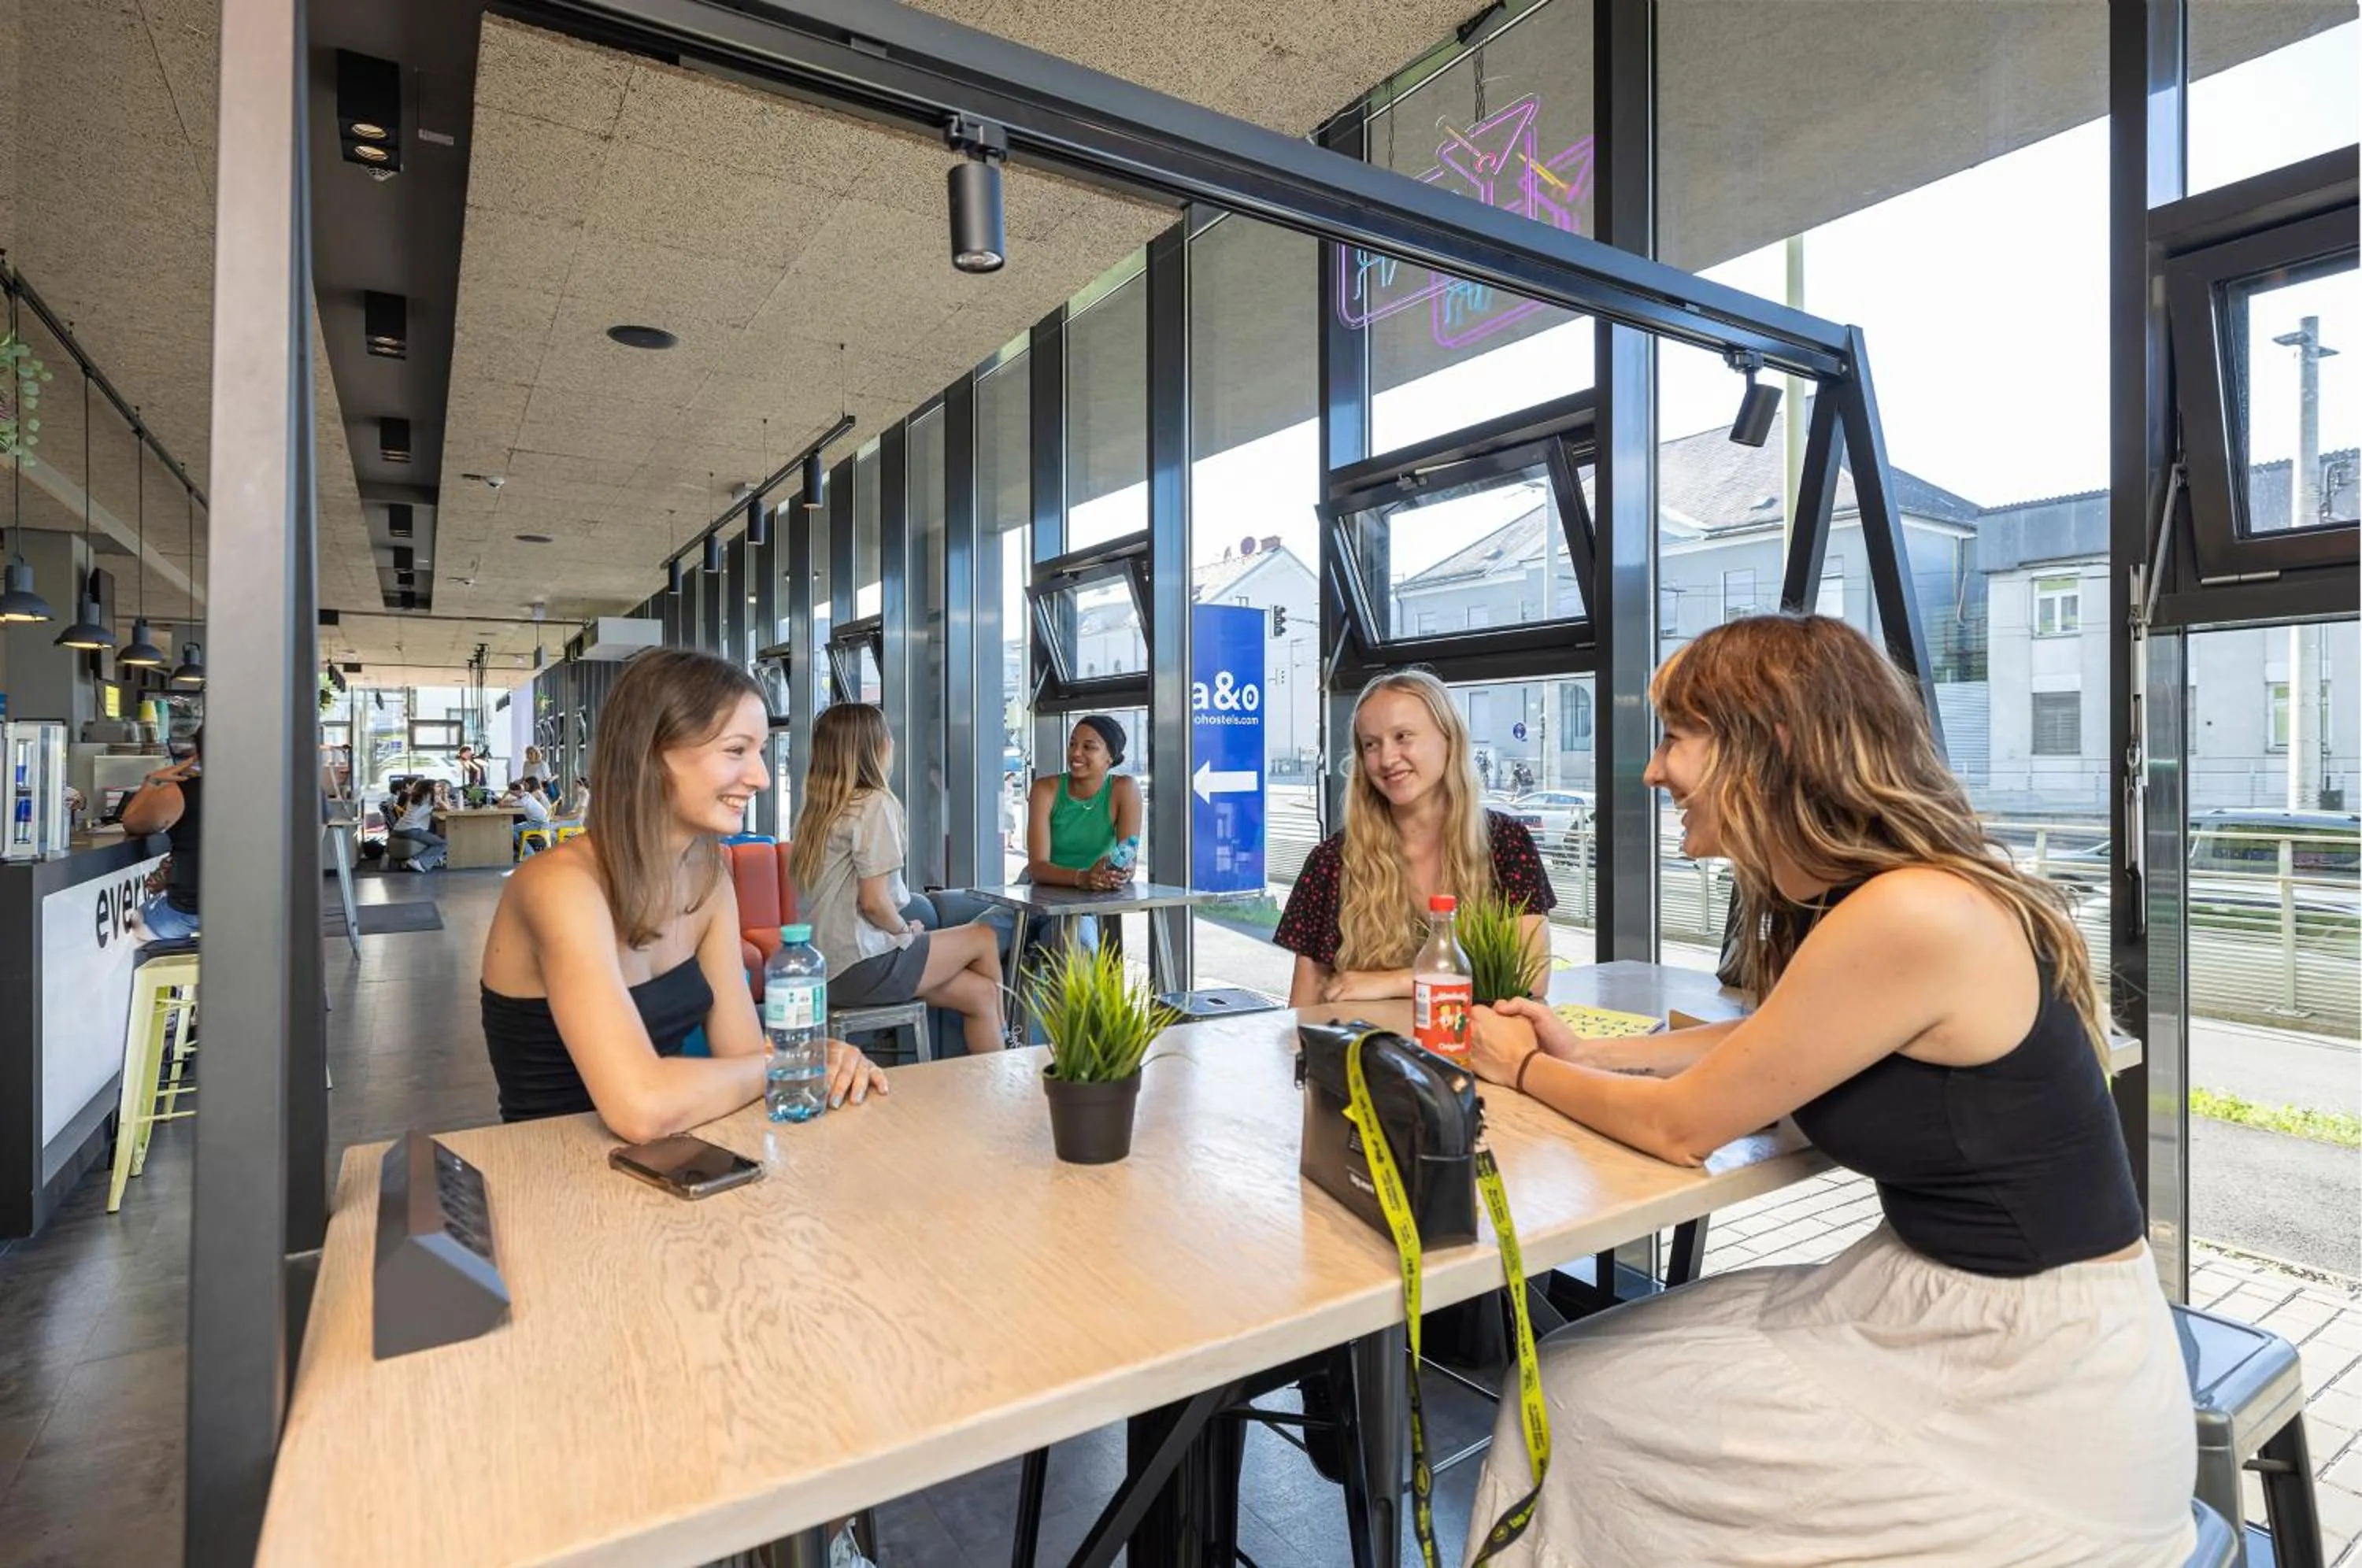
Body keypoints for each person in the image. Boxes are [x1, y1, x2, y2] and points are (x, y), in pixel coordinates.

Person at [1458, 616, 2192, 1566]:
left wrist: (1521, 1068)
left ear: (1766, 746)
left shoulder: (1910, 913)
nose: (1652, 772)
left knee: (1568, 1395)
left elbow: (1686, 1129)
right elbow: (1769, 1047)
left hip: (2030, 1387)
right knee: (1576, 1379)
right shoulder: (1892, 895)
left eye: (1675, 738)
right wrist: (1589, 1058)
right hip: (1951, 1307)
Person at [479, 648, 885, 1139]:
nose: (760, 777)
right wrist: (794, 1061)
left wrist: (801, 1064)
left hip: (666, 1161)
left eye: (759, 752)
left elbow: (743, 1057)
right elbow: (641, 1107)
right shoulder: (559, 886)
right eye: (736, 751)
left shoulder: (708, 878)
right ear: (652, 754)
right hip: (553, 1175)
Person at [1273, 670, 1553, 1008]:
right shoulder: (1332, 862)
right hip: (1368, 1056)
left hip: (1477, 1053)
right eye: (1371, 745)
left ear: (1448, 738)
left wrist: (1396, 981)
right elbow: (1302, 1012)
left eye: (1403, 736)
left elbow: (1530, 981)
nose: (1387, 759)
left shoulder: (1506, 844)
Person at [790, 703, 1006, 1056]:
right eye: (886, 734)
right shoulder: (873, 804)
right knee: (983, 937)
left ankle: (994, 1079)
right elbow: (873, 901)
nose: (892, 740)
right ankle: (1011, 1047)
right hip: (860, 965)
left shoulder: (815, 812)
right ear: (872, 748)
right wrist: (904, 934)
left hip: (824, 967)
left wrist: (901, 934)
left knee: (980, 995)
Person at [1024, 715, 1142, 892]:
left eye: (1088, 747)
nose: (1075, 753)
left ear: (1110, 756)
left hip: (1093, 895)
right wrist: (1082, 877)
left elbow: (1128, 855)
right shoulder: (1045, 789)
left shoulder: (1125, 789)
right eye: (1072, 744)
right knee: (985, 921)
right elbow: (1037, 868)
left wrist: (1121, 872)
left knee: (1083, 922)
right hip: (1037, 891)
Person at [121, 727, 202, 940]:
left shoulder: (178, 793)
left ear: (197, 754)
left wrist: (153, 780)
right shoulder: (278, 790)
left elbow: (132, 823)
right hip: (263, 910)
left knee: (137, 925)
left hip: (190, 912)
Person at [389, 778, 448, 871]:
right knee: (443, 843)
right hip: (412, 830)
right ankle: (418, 861)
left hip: (397, 830)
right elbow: (447, 808)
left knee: (434, 837)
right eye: (437, 786)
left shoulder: (415, 797)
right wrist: (444, 795)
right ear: (430, 788)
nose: (440, 788)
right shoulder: (430, 797)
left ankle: (422, 860)